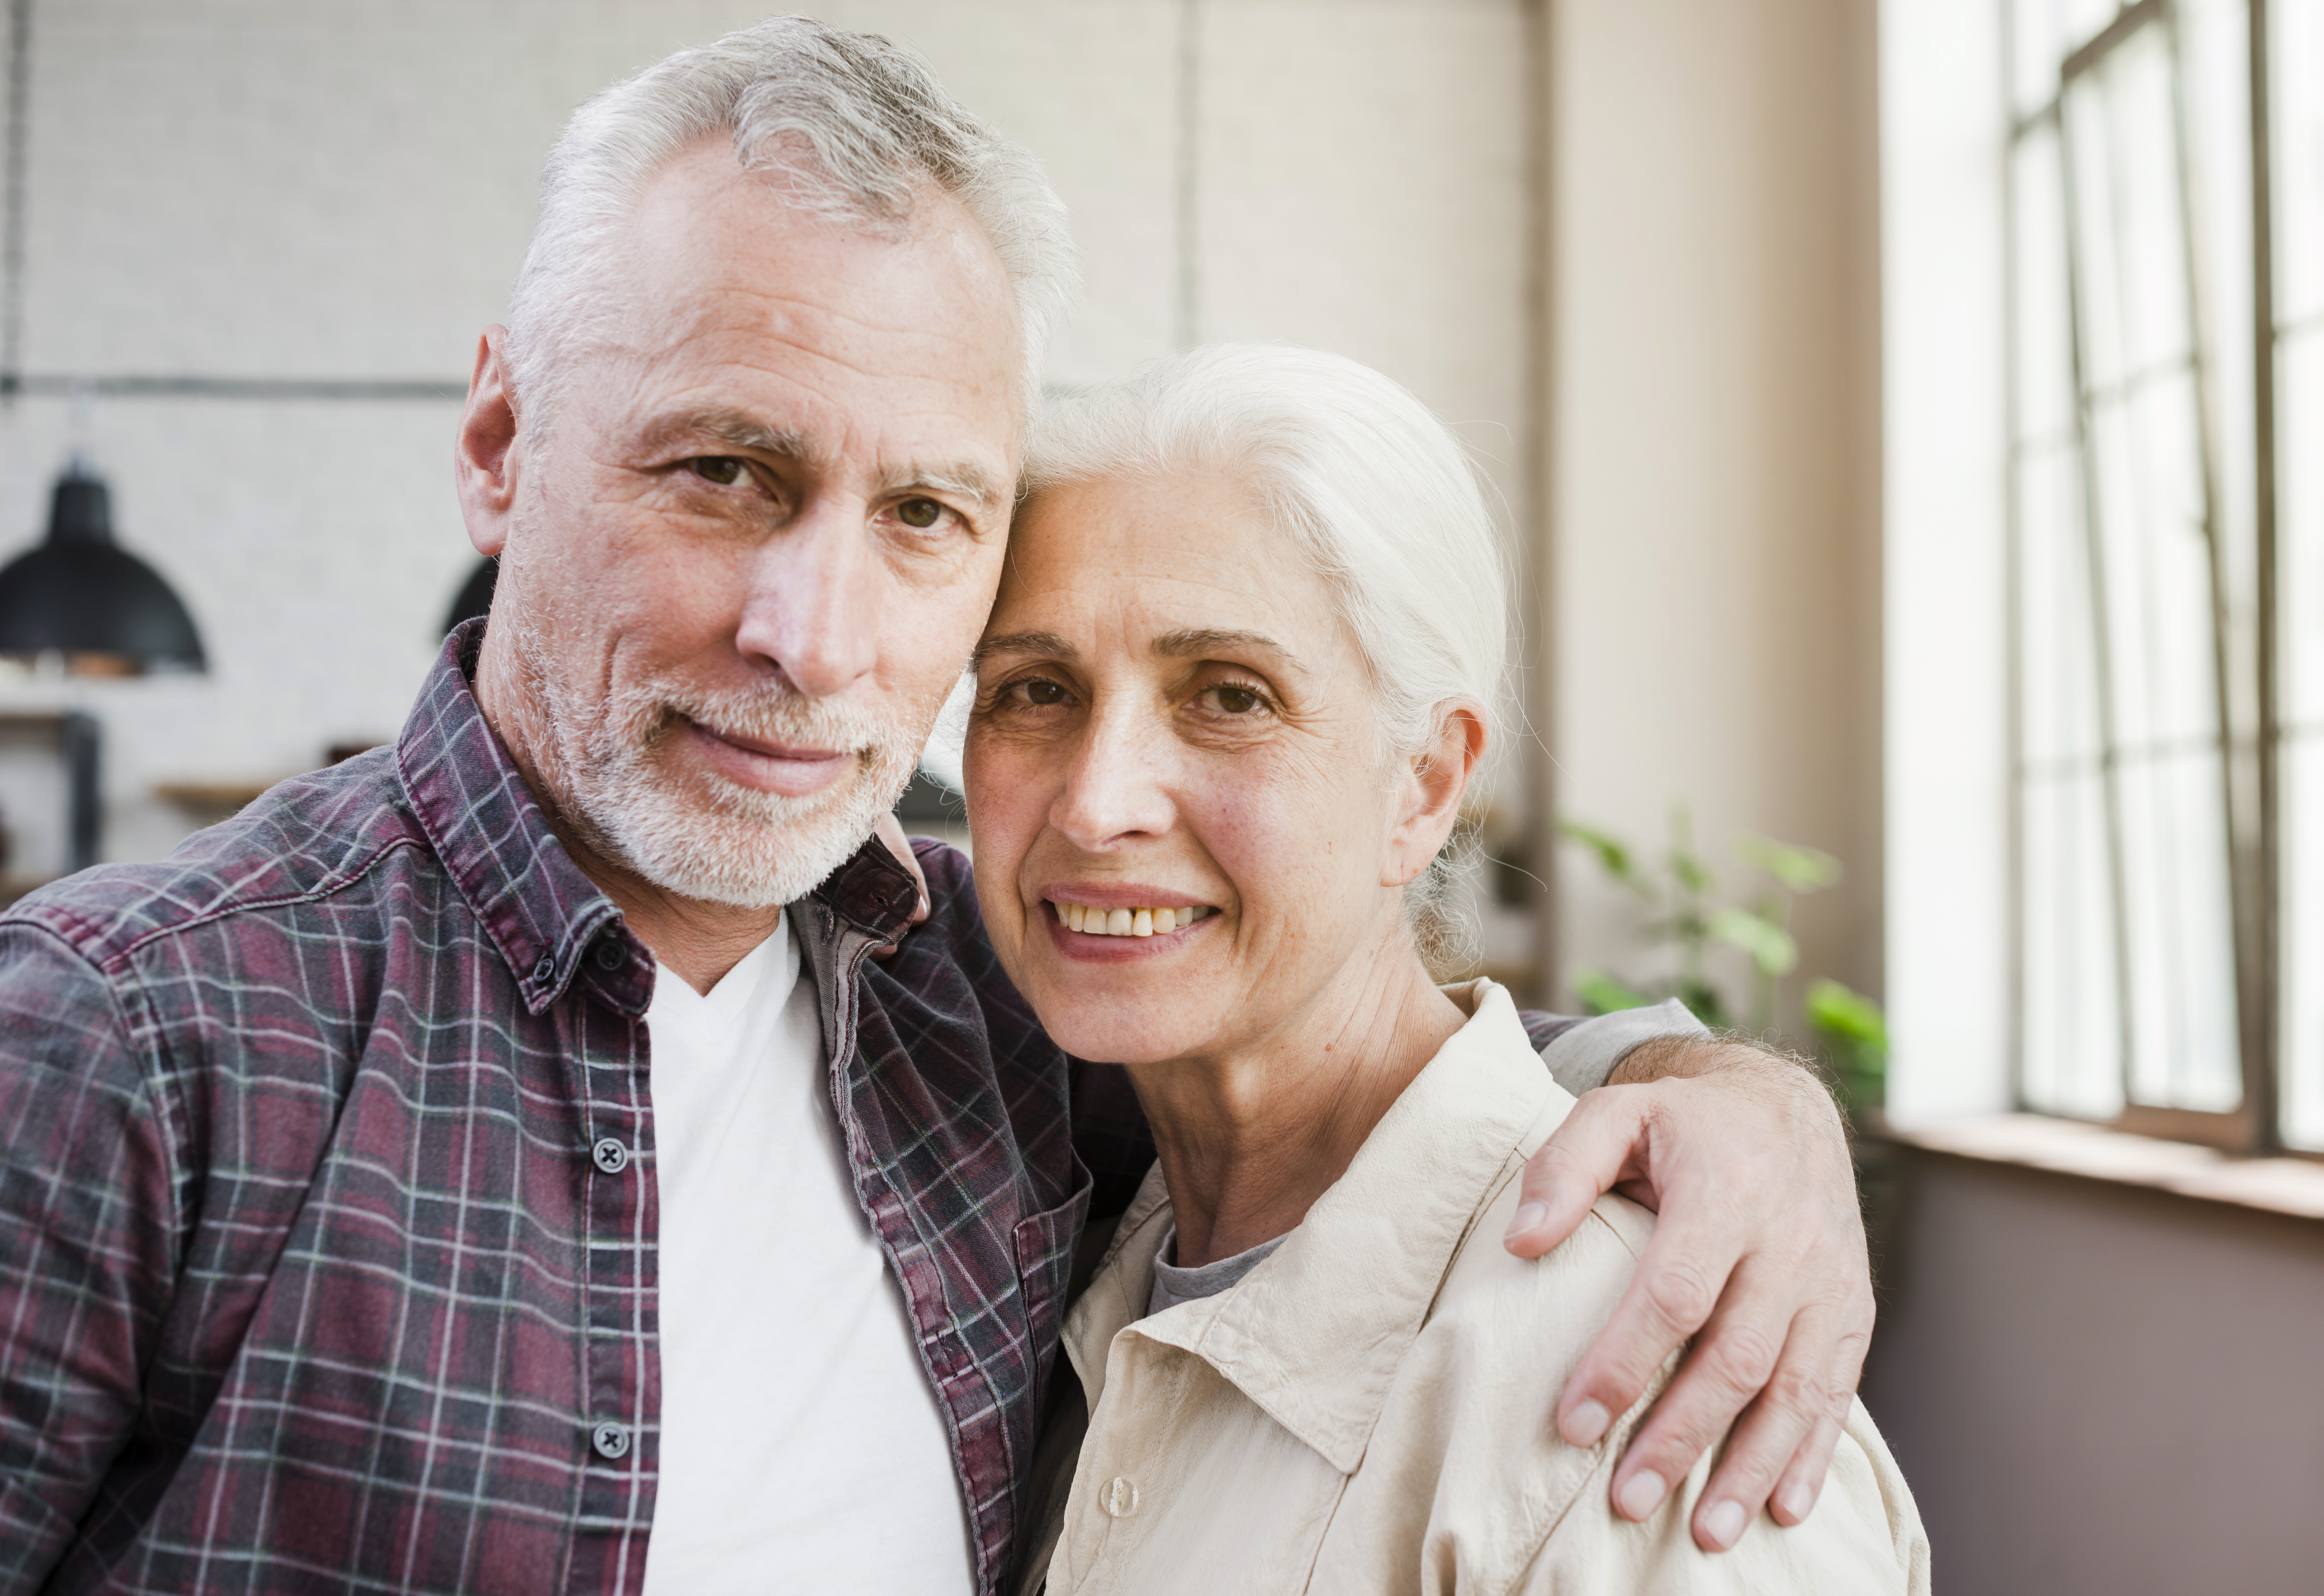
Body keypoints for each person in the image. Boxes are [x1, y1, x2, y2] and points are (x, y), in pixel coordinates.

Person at [0, 20, 1871, 1596]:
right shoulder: (119, 1043)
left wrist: (1714, 1092)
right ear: (501, 447)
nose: (812, 642)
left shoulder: (985, 1005)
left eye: (925, 518)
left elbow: (1340, 1061)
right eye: (726, 473)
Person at [976, 344, 1927, 1593]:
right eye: (1036, 689)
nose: (1097, 804)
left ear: (1424, 785)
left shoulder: (1628, 1384)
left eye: (1231, 696)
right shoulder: (1081, 1252)